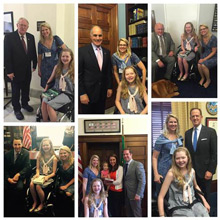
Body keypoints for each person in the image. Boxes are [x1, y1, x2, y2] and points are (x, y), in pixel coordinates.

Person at [158, 147, 210, 217]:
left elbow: (196, 186)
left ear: (188, 158)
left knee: (204, 214)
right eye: (177, 158)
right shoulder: (171, 174)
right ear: (174, 160)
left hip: (192, 202)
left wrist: (205, 201)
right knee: (189, 216)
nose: (180, 160)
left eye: (183, 157)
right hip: (177, 205)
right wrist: (162, 215)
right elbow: (161, 197)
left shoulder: (192, 171)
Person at [4, 17, 37, 120]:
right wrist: (9, 71)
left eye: (25, 25)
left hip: (27, 70)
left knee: (26, 88)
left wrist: (34, 64)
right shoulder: (9, 37)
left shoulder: (30, 37)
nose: (23, 27)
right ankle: (17, 109)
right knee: (16, 91)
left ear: (27, 27)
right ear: (17, 25)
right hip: (15, 71)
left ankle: (24, 104)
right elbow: (6, 55)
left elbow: (33, 52)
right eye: (21, 25)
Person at [185, 108, 217, 202]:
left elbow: (214, 153)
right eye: (193, 116)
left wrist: (210, 170)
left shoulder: (210, 132)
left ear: (201, 117)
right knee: (193, 195)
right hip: (191, 172)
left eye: (197, 116)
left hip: (205, 172)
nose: (195, 118)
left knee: (205, 196)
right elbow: (188, 153)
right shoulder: (187, 133)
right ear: (190, 118)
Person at [79, 25, 112, 114]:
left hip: (102, 93)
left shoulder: (107, 52)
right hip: (87, 94)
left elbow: (108, 71)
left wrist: (109, 87)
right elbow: (79, 74)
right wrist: (82, 93)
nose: (98, 38)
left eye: (100, 35)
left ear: (103, 36)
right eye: (95, 35)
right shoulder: (82, 52)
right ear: (90, 36)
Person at [152, 114, 183, 197]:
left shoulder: (180, 138)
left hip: (177, 169)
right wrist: (156, 174)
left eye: (175, 122)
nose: (173, 124)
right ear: (167, 124)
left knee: (175, 193)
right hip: (163, 170)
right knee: (163, 194)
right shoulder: (161, 138)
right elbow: (154, 157)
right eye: (171, 122)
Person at [41, 48, 74, 122]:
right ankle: (45, 122)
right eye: (63, 56)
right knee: (44, 101)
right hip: (55, 90)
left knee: (50, 105)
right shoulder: (57, 67)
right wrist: (46, 89)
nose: (64, 58)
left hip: (67, 93)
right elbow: (50, 79)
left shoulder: (73, 69)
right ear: (60, 57)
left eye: (67, 56)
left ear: (71, 58)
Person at [4, 136, 31, 216]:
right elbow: (4, 169)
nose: (17, 146)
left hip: (20, 176)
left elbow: (27, 167)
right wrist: (8, 178)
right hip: (8, 177)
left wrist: (18, 174)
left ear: (22, 144)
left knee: (19, 188)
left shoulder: (26, 153)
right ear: (12, 145)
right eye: (15, 144)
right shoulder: (7, 154)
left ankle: (18, 210)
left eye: (19, 144)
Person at [29, 138, 58, 212]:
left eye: (47, 145)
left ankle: (42, 203)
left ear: (50, 146)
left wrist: (47, 177)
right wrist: (37, 173)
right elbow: (37, 168)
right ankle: (35, 202)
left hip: (49, 177)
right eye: (44, 145)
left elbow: (54, 173)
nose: (45, 147)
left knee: (38, 186)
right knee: (31, 184)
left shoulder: (54, 158)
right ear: (41, 146)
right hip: (40, 175)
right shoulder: (39, 156)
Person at [38, 22, 66, 88]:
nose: (45, 31)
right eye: (43, 30)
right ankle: (46, 98)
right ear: (41, 32)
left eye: (46, 29)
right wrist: (39, 69)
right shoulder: (40, 43)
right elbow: (39, 57)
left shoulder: (56, 39)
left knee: (56, 86)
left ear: (49, 30)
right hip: (45, 67)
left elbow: (66, 50)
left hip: (56, 66)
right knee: (46, 85)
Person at [123, 149, 146, 217]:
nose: (125, 156)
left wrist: (138, 194)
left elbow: (142, 180)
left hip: (135, 195)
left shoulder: (137, 164)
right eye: (124, 154)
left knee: (137, 214)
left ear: (131, 154)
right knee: (129, 214)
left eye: (127, 154)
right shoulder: (125, 165)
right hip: (127, 194)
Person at [56, 146, 74, 216]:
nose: (63, 155)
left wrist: (66, 186)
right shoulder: (60, 163)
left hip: (72, 182)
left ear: (69, 153)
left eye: (64, 153)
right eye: (61, 153)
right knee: (58, 192)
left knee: (67, 194)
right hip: (63, 181)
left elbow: (75, 177)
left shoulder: (73, 163)